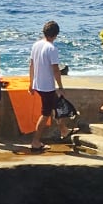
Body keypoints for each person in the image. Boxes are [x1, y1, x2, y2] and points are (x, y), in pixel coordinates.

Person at [28, 20, 67, 153]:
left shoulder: (36, 45)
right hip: (47, 86)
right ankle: (35, 141)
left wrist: (31, 83)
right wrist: (60, 86)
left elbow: (31, 65)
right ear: (56, 34)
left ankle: (64, 130)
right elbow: (56, 69)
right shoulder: (52, 49)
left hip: (38, 84)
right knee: (45, 114)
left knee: (57, 106)